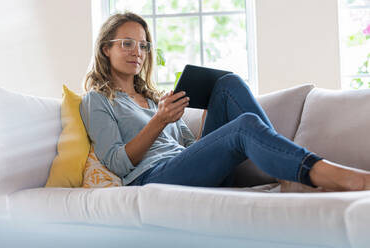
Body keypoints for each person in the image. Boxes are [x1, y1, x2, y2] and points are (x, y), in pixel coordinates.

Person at [80, 12, 370, 192]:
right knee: (245, 126)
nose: (137, 52)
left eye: (143, 45)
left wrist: (206, 121)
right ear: (106, 49)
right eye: (127, 44)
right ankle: (325, 175)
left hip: (185, 168)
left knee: (227, 83)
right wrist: (159, 121)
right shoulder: (97, 100)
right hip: (152, 178)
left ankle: (287, 173)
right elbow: (117, 163)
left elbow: (190, 151)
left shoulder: (155, 100)